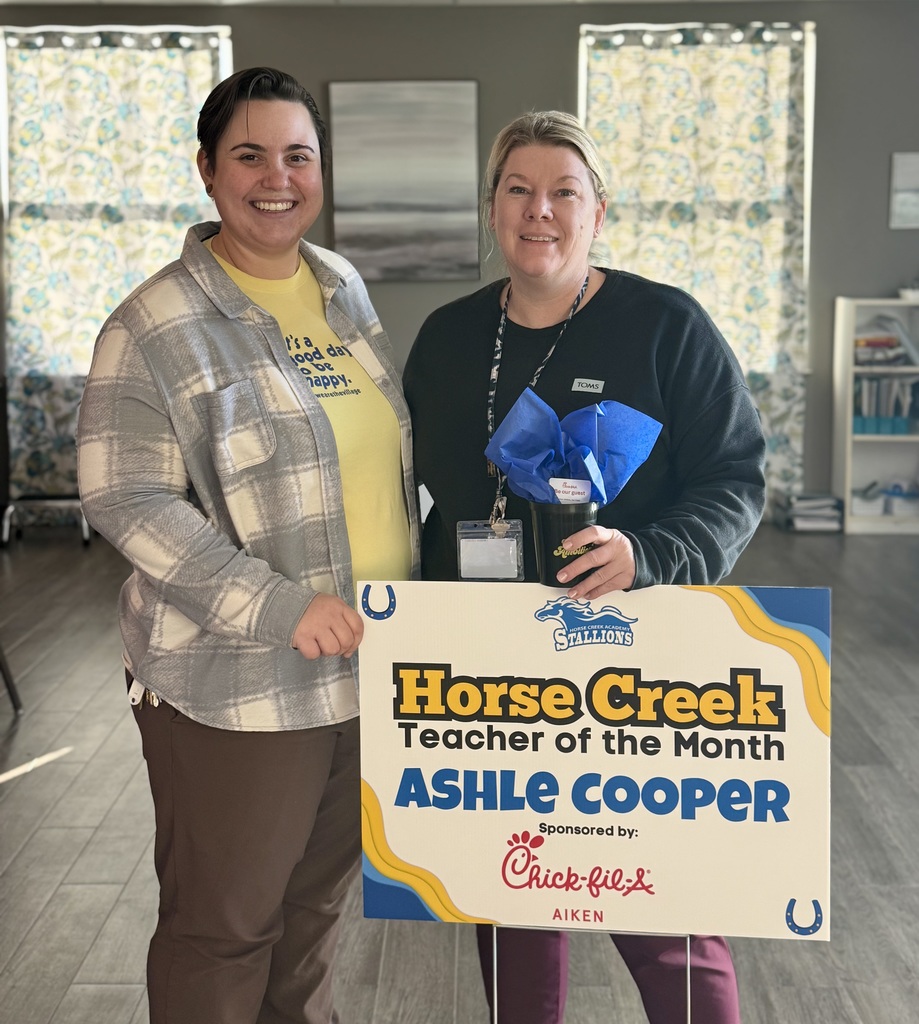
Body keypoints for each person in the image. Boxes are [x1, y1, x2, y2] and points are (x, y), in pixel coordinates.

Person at [403, 111, 765, 1023]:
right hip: (492, 675)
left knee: (667, 915)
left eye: (563, 191)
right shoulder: (445, 340)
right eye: (518, 190)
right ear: (492, 209)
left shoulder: (665, 326)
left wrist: (650, 554)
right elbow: (417, 500)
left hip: (638, 660)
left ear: (598, 209)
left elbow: (735, 479)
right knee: (513, 901)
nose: (540, 211)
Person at [77, 67, 419, 1024]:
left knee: (310, 918)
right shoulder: (152, 324)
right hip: (238, 686)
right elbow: (125, 497)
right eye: (250, 155)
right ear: (207, 170)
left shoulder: (339, 286)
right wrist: (280, 605)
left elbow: (372, 459)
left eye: (298, 156)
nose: (278, 177)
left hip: (367, 670)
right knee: (222, 931)